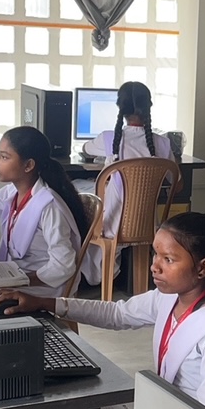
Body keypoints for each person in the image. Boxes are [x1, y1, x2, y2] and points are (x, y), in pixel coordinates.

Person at [0, 212, 205, 409]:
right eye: (155, 254)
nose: (155, 266)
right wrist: (45, 303)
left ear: (203, 267)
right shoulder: (171, 298)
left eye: (168, 259)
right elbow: (117, 314)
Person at [0, 126, 90, 298]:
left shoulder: (49, 206)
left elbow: (63, 265)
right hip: (17, 278)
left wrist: (21, 281)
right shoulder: (12, 192)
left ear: (28, 165)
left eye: (4, 157)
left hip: (40, 289)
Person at [77, 81, 180, 283]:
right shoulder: (163, 143)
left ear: (120, 108)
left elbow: (85, 149)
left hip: (112, 225)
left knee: (77, 190)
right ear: (149, 106)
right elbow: (178, 185)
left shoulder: (109, 138)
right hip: (148, 225)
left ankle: (84, 277)